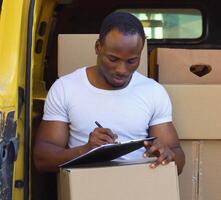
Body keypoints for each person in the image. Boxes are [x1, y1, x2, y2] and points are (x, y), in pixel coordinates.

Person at [33, 11, 185, 174]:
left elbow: (179, 161)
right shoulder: (65, 88)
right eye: (113, 59)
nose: (122, 70)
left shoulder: (153, 92)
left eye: (132, 61)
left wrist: (168, 155)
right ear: (98, 47)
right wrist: (85, 150)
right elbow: (42, 158)